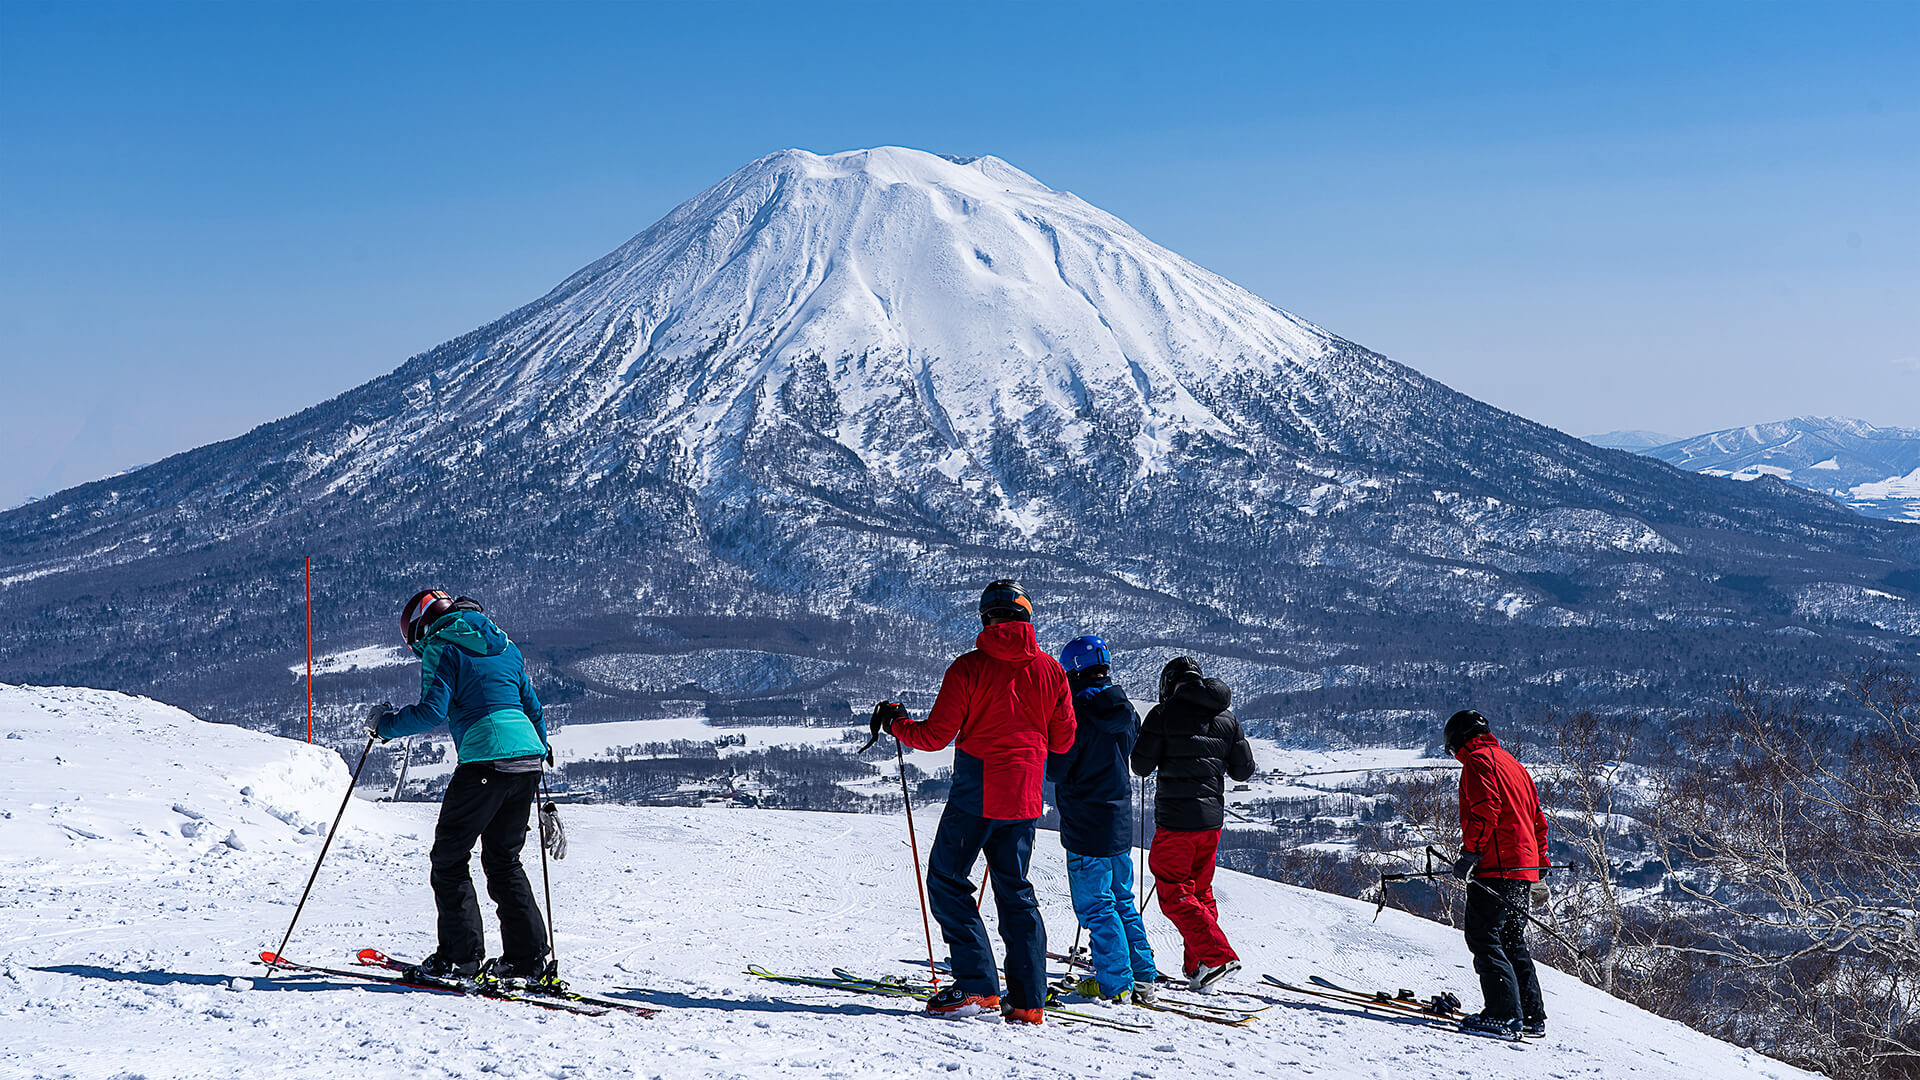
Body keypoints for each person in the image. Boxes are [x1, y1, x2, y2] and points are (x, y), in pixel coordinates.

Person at [870, 579, 1075, 1025]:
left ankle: (978, 986)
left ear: (986, 620)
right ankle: (1028, 1001)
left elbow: (935, 736)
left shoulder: (968, 669)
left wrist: (896, 723)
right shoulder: (1053, 672)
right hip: (1025, 797)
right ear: (1027, 618)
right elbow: (1063, 742)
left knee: (947, 878)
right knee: (1016, 891)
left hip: (977, 791)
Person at [368, 590, 552, 982]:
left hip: (486, 758)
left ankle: (460, 957)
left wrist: (384, 726)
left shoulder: (442, 645)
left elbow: (431, 712)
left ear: (421, 626)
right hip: (527, 760)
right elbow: (532, 708)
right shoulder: (506, 646)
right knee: (504, 859)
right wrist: (539, 752)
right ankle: (527, 959)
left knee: (450, 856)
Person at [1130, 656, 1255, 992]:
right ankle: (1199, 965)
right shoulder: (1226, 718)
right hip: (1211, 821)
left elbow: (1141, 765)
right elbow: (1243, 770)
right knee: (1199, 892)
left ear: (1169, 685)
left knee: (1173, 891)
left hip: (1176, 821)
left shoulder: (1163, 715)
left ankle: (1217, 956)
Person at [1046, 635, 1158, 1006]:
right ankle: (1142, 975)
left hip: (1084, 820)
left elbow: (1058, 769)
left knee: (1096, 904)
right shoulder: (1126, 709)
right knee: (1122, 898)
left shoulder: (1075, 711)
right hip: (1119, 816)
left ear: (1073, 669)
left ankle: (1115, 982)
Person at [1445, 708, 1550, 1040]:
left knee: (1483, 935)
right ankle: (1531, 1015)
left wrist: (1470, 852)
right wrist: (1540, 861)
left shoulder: (1478, 761)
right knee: (1511, 938)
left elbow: (1485, 809)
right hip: (1523, 866)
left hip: (1497, 864)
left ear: (1458, 740)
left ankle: (1504, 1015)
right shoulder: (1513, 764)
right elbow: (1537, 818)